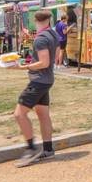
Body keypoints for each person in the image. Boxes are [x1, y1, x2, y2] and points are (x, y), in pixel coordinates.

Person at [14, 9, 59, 167]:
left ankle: (31, 149)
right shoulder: (53, 34)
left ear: (35, 21)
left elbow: (44, 62)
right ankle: (48, 149)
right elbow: (56, 56)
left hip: (39, 81)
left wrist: (24, 67)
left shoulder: (40, 38)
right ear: (49, 20)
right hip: (47, 79)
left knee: (19, 114)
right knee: (43, 114)